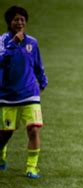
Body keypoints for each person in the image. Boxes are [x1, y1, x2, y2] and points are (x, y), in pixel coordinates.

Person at [0, 5, 48, 178]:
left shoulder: (32, 43)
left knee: (34, 129)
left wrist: (42, 82)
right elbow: (1, 61)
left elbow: (37, 65)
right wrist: (14, 43)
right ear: (9, 22)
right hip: (8, 96)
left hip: (29, 93)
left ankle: (31, 168)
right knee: (5, 134)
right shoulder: (3, 41)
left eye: (22, 20)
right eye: (16, 19)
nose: (20, 23)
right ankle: (1, 155)